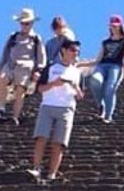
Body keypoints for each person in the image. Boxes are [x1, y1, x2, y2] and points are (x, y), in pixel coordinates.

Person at [28, 38, 83, 181]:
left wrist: (75, 87)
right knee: (41, 137)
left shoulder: (77, 72)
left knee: (59, 142)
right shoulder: (51, 68)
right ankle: (36, 168)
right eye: (72, 50)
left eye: (77, 52)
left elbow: (80, 96)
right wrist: (54, 84)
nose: (75, 54)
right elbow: (39, 89)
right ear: (63, 50)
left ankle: (52, 173)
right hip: (48, 105)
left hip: (66, 108)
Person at [0, 8, 46, 125]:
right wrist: (0, 66)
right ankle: (1, 108)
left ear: (32, 23)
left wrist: (39, 70)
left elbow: (41, 56)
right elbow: (5, 52)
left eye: (27, 23)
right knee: (2, 79)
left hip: (25, 68)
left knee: (20, 91)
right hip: (11, 64)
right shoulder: (13, 36)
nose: (24, 25)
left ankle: (15, 116)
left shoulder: (36, 39)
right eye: (22, 23)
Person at [84, 15, 124, 124]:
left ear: (121, 26)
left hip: (115, 67)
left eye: (116, 26)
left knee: (109, 89)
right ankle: (100, 105)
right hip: (102, 66)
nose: (114, 28)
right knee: (95, 81)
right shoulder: (105, 42)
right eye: (112, 26)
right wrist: (82, 64)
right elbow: (98, 59)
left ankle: (108, 116)